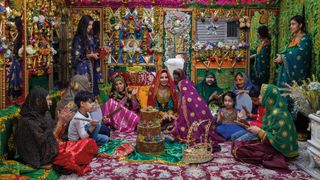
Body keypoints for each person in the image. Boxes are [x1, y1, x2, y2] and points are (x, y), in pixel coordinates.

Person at [15, 87, 98, 175]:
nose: (50, 102)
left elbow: (56, 136)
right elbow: (44, 143)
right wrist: (59, 123)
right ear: (38, 101)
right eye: (48, 99)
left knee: (90, 143)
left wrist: (63, 124)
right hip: (42, 154)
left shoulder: (44, 114)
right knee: (70, 157)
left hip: (54, 146)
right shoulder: (28, 121)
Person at [231, 84, 299, 170]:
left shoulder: (278, 114)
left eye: (261, 95)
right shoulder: (273, 110)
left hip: (281, 150)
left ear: (269, 97)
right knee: (238, 145)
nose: (259, 97)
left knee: (239, 149)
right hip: (271, 143)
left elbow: (279, 140)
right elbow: (269, 128)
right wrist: (255, 128)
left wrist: (259, 131)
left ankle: (274, 156)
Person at [168, 74, 224, 151]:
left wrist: (175, 124)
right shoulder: (197, 96)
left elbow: (182, 118)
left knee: (176, 129)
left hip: (193, 128)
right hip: (207, 127)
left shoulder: (185, 98)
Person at [275, 15, 312, 88]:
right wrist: (281, 55)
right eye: (290, 24)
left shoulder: (305, 39)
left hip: (296, 74)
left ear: (300, 25)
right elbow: (288, 51)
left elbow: (300, 54)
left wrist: (283, 57)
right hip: (286, 71)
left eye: (293, 24)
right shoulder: (293, 38)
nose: (291, 26)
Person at [71, 15, 99, 94]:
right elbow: (76, 56)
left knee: (92, 87)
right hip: (82, 67)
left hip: (92, 65)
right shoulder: (78, 38)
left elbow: (95, 48)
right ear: (84, 25)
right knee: (83, 88)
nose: (90, 27)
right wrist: (90, 56)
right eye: (89, 24)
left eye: (91, 25)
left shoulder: (91, 36)